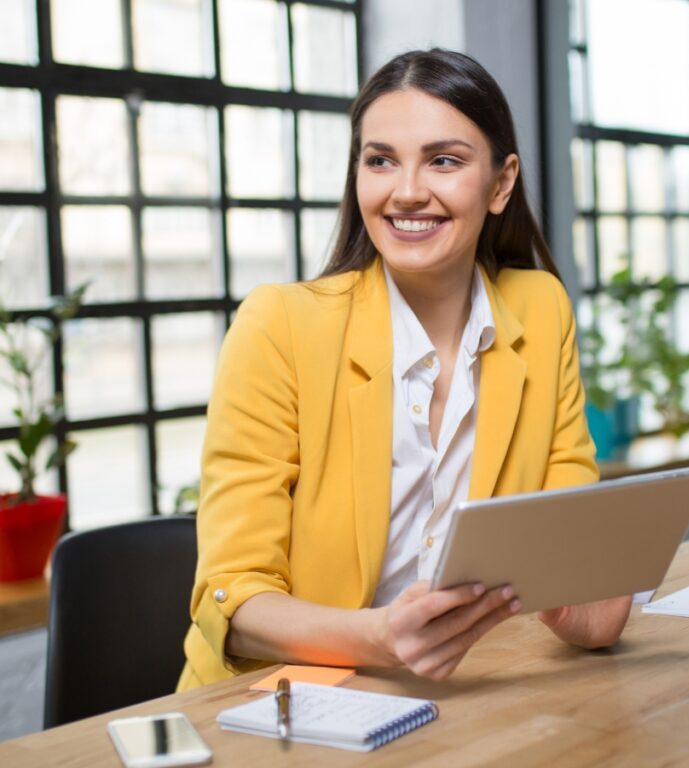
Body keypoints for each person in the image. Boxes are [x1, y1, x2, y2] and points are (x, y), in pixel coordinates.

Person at [177, 49, 632, 691]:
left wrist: (579, 592)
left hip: (460, 700)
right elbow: (232, 599)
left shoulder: (541, 310)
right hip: (276, 704)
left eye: (444, 160)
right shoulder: (279, 326)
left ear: (501, 184)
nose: (407, 190)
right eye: (380, 160)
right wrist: (383, 637)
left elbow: (579, 581)